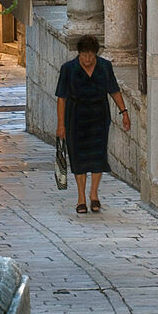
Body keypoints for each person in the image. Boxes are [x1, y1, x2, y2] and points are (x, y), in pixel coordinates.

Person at [56, 34, 131, 214]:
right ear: (79, 54)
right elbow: (61, 99)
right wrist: (61, 125)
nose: (88, 60)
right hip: (76, 116)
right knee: (78, 156)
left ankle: (94, 195)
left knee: (98, 155)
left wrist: (124, 112)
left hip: (99, 115)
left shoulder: (105, 67)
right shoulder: (68, 69)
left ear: (96, 54)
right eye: (84, 56)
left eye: (91, 56)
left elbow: (114, 90)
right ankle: (81, 197)